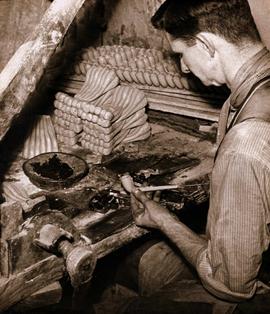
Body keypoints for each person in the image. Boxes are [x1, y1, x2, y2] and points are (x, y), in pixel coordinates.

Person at [94, 0, 270, 313]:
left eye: (181, 55)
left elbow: (233, 286)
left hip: (255, 289)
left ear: (206, 44)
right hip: (247, 256)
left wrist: (163, 219)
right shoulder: (250, 92)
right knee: (137, 264)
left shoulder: (246, 144)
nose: (184, 68)